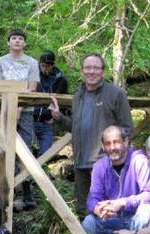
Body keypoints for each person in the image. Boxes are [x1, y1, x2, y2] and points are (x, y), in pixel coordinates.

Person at [49, 53, 134, 218]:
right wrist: (59, 117)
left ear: (103, 71)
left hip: (106, 165)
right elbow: (77, 127)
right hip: (81, 163)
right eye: (88, 68)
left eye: (96, 68)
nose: (92, 71)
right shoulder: (78, 95)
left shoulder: (116, 93)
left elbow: (128, 129)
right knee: (83, 210)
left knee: (108, 210)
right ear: (82, 71)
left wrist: (116, 157)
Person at [82, 125, 150, 234]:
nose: (112, 148)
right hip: (114, 219)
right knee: (88, 223)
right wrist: (98, 209)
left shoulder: (139, 161)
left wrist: (122, 203)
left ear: (125, 142)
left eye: (116, 142)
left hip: (136, 217)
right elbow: (93, 198)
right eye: (108, 144)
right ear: (103, 146)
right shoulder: (99, 167)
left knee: (146, 210)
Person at [0, 29, 39, 208]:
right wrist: (10, 107)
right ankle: (4, 193)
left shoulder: (32, 62)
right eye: (14, 38)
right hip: (5, 110)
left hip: (26, 111)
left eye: (21, 39)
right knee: (4, 150)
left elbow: (32, 87)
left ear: (24, 43)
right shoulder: (0, 62)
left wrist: (19, 106)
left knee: (25, 151)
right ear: (8, 42)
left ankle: (27, 193)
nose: (17, 41)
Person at [34, 50, 68, 154]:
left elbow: (64, 101)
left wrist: (54, 117)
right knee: (26, 149)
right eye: (42, 66)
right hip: (31, 119)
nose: (44, 69)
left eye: (47, 66)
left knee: (46, 152)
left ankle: (39, 169)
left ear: (52, 65)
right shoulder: (33, 75)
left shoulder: (60, 79)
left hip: (47, 121)